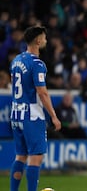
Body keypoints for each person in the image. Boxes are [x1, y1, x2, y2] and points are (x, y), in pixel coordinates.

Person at [9, 26, 61, 191]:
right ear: (38, 40)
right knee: (36, 157)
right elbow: (42, 92)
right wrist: (53, 116)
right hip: (32, 115)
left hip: (16, 113)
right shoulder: (37, 63)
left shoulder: (16, 60)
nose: (45, 40)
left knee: (20, 156)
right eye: (44, 38)